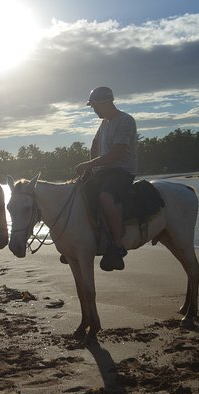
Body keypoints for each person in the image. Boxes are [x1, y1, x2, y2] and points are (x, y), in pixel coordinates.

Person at [75, 86, 137, 271]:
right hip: (103, 171)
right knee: (78, 193)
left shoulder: (125, 121)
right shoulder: (105, 123)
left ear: (105, 103)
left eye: (94, 106)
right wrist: (92, 166)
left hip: (121, 171)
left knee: (106, 197)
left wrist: (89, 165)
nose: (94, 110)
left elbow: (116, 154)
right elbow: (95, 144)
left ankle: (117, 246)